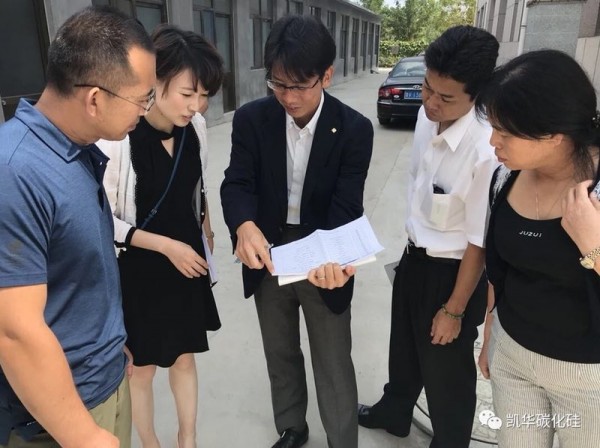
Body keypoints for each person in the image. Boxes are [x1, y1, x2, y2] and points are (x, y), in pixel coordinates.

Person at [0, 6, 156, 448]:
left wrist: (108, 342)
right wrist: (82, 435)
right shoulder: (16, 172)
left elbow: (78, 268)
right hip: (61, 415)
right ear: (94, 99)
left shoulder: (74, 150)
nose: (145, 111)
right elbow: (14, 331)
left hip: (104, 378)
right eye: (142, 99)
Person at [220, 14, 373, 448]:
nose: (288, 97)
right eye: (278, 84)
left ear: (327, 75)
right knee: (279, 348)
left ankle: (341, 439)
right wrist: (244, 225)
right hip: (268, 250)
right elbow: (237, 182)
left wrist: (334, 257)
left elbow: (347, 205)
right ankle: (292, 426)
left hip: (323, 250)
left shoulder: (354, 129)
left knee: (332, 355)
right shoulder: (252, 119)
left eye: (300, 86)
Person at [357, 26, 499, 448]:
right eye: (427, 88)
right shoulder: (425, 117)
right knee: (403, 350)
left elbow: (479, 243)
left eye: (446, 98)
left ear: (477, 95)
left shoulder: (486, 150)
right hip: (414, 257)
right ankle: (395, 412)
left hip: (454, 274)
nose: (431, 103)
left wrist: (454, 311)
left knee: (446, 374)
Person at [97, 25, 224, 448]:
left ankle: (188, 438)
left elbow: (197, 186)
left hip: (186, 263)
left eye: (204, 95)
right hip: (140, 267)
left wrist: (206, 227)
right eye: (188, 93)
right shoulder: (120, 138)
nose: (196, 105)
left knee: (184, 356)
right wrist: (166, 246)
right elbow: (103, 219)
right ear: (156, 80)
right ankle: (150, 442)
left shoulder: (196, 127)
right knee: (142, 367)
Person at [476, 49, 600, 448]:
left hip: (587, 381)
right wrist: (491, 333)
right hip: (514, 360)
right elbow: (500, 269)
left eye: (505, 132)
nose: (493, 141)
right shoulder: (504, 178)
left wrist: (593, 246)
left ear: (554, 134)